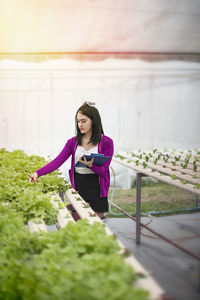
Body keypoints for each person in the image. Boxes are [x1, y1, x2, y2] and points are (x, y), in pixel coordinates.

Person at [29, 102, 114, 220]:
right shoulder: (72, 142)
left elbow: (103, 171)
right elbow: (57, 162)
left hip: (97, 190)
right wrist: (37, 173)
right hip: (79, 187)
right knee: (78, 224)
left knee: (95, 227)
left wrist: (90, 165)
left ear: (93, 121)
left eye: (83, 121)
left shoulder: (107, 142)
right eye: (78, 121)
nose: (80, 124)